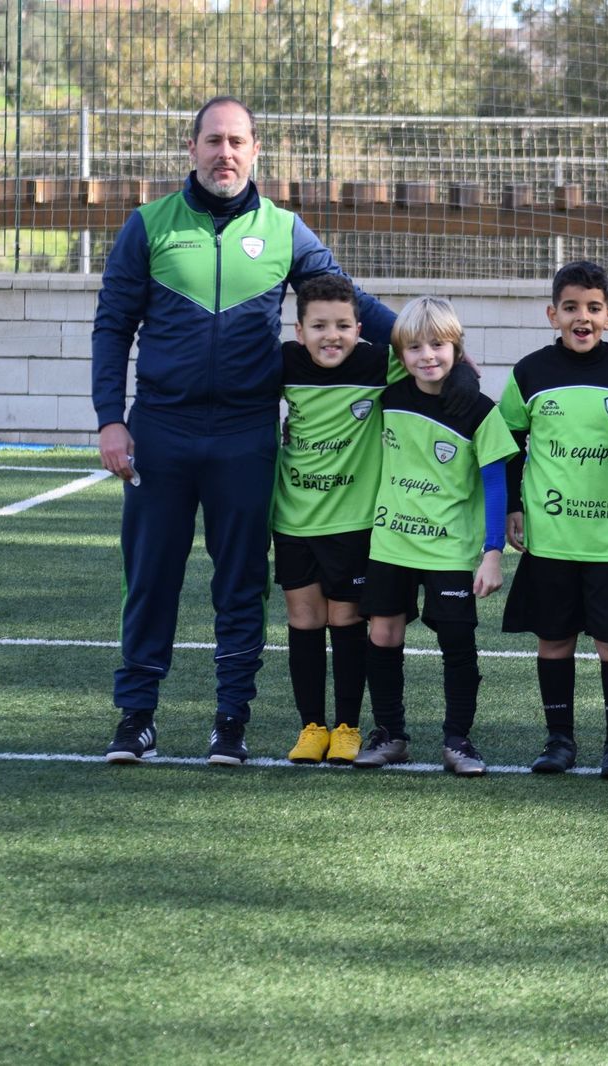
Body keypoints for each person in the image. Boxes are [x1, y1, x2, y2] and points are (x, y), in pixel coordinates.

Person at [95, 96, 394, 766]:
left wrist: (426, 337)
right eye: (212, 141)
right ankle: (136, 716)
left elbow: (350, 302)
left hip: (245, 435)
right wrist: (111, 420)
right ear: (192, 149)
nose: (224, 154)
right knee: (149, 577)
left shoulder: (285, 231)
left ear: (255, 151)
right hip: (161, 432)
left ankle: (230, 720)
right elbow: (112, 326)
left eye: (237, 142)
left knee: (239, 584)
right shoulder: (148, 226)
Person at [499, 261, 608, 779]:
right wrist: (513, 507)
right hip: (552, 536)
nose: (581, 318)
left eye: (593, 308)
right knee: (555, 639)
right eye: (571, 308)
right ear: (553, 314)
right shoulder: (530, 373)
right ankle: (559, 741)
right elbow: (510, 445)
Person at [346, 297, 517, 775]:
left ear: (457, 348)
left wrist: (492, 553)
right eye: (415, 347)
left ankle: (458, 740)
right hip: (391, 543)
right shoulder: (391, 395)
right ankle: (390, 734)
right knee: (382, 632)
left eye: (439, 345)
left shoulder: (478, 409)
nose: (427, 356)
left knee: (457, 638)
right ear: (400, 356)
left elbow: (495, 482)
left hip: (448, 549)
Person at [274, 274, 401, 766]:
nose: (333, 336)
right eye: (320, 326)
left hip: (354, 523)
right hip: (294, 521)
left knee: (346, 620)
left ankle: (347, 726)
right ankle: (312, 727)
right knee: (304, 620)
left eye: (344, 325)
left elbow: (428, 355)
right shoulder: (283, 362)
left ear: (360, 328)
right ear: (299, 330)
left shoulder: (377, 362)